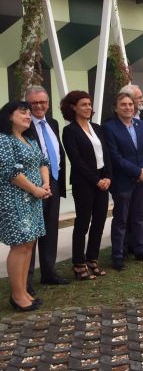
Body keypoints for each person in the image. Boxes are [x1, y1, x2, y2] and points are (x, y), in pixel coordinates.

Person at [0, 101, 50, 311]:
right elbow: (10, 171)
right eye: (23, 112)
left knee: (29, 244)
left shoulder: (30, 139)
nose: (28, 116)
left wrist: (45, 184)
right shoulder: (4, 139)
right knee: (19, 246)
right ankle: (17, 295)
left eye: (29, 113)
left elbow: (43, 162)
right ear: (9, 116)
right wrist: (34, 189)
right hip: (15, 199)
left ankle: (23, 291)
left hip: (34, 199)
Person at [61, 91, 112, 280]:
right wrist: (95, 180)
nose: (88, 107)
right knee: (83, 223)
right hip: (84, 182)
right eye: (84, 104)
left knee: (99, 221)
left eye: (90, 104)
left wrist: (108, 177)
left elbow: (106, 155)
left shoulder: (97, 128)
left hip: (103, 181)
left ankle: (92, 259)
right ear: (73, 107)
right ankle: (78, 264)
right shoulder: (70, 131)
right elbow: (76, 160)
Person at [103, 92, 143, 271]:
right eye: (123, 104)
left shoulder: (141, 125)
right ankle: (118, 255)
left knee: (139, 216)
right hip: (123, 180)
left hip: (142, 179)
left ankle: (139, 249)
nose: (128, 107)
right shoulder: (109, 128)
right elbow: (114, 156)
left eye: (130, 104)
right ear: (116, 108)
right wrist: (136, 171)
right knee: (121, 219)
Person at [24, 86, 69, 289]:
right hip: (32, 185)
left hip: (54, 182)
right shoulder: (23, 125)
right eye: (34, 103)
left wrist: (55, 180)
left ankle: (49, 273)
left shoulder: (52, 123)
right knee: (32, 232)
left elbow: (57, 151)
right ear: (27, 104)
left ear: (48, 104)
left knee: (50, 229)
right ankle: (26, 280)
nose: (39, 106)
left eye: (42, 102)